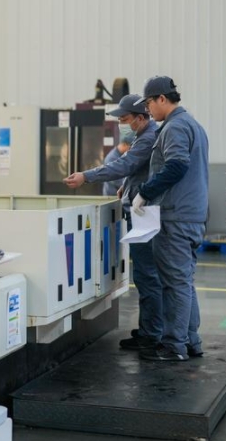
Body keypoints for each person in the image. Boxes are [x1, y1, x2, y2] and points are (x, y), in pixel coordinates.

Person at [63, 94, 162, 351]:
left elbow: (125, 165)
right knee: (146, 276)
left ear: (141, 117)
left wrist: (86, 176)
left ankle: (152, 335)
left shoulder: (148, 137)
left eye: (125, 119)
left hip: (144, 215)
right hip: (141, 211)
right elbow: (136, 170)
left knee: (147, 276)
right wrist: (126, 188)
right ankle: (150, 331)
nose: (121, 125)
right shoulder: (143, 136)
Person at [132, 76, 209, 362]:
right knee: (184, 281)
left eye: (149, 103)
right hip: (191, 215)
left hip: (175, 216)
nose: (148, 110)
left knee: (174, 283)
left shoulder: (175, 127)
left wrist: (145, 192)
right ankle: (191, 341)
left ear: (162, 99)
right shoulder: (194, 125)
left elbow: (176, 165)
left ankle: (174, 346)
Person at [101, 132, 134, 196]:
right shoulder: (112, 158)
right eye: (130, 148)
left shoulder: (123, 156)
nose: (130, 150)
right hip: (112, 195)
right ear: (124, 144)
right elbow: (115, 179)